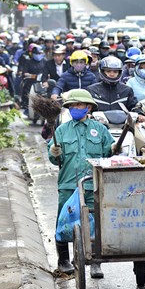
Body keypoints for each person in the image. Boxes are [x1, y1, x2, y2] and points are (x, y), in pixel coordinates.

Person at [47, 89, 113, 279]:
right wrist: (54, 152)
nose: (76, 108)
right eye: (73, 106)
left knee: (95, 221)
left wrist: (115, 148)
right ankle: (64, 260)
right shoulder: (61, 130)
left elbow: (109, 151)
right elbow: (52, 158)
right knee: (64, 221)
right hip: (68, 183)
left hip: (92, 183)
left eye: (80, 105)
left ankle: (95, 262)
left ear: (88, 107)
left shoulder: (100, 129)